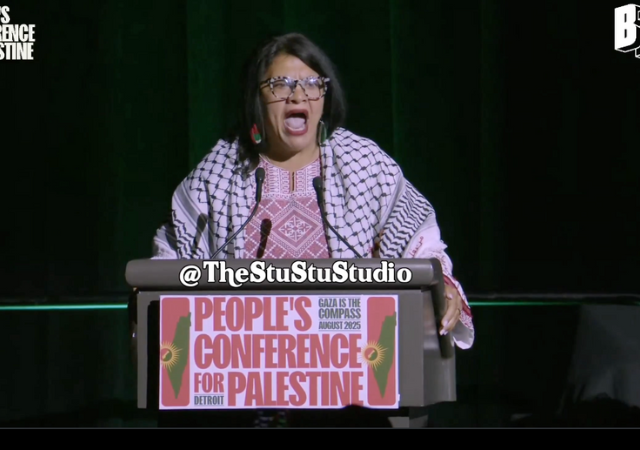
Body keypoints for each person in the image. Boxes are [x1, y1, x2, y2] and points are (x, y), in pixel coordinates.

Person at [144, 32, 474, 427]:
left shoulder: (364, 164)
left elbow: (421, 244)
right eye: (279, 84)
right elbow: (169, 264)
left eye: (313, 83)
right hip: (241, 399)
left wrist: (444, 287)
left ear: (325, 98)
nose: (297, 95)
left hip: (353, 395)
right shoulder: (218, 174)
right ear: (255, 99)